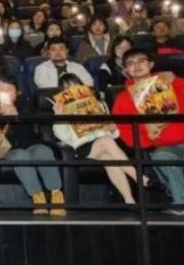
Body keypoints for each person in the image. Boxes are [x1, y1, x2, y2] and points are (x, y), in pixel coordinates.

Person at [113, 48, 184, 214]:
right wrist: (148, 136)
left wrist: (176, 81)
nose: (136, 65)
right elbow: (127, 132)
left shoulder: (171, 81)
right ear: (126, 70)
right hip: (166, 143)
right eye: (130, 63)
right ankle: (183, 205)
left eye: (141, 61)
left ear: (151, 64)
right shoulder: (123, 99)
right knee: (162, 156)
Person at [51, 74, 138, 205]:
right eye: (67, 88)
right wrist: (59, 115)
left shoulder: (99, 104)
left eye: (75, 85)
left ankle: (129, 200)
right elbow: (63, 137)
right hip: (84, 147)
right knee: (106, 141)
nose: (73, 90)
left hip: (106, 145)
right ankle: (138, 177)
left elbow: (114, 134)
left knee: (109, 159)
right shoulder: (63, 109)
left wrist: (112, 128)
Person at [0, 75, 65, 215]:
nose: (5, 92)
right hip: (10, 151)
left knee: (43, 151)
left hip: (32, 145)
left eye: (9, 89)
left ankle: (56, 197)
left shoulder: (26, 106)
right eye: (1, 89)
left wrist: (16, 116)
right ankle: (38, 198)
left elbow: (32, 133)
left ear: (17, 92)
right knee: (20, 155)